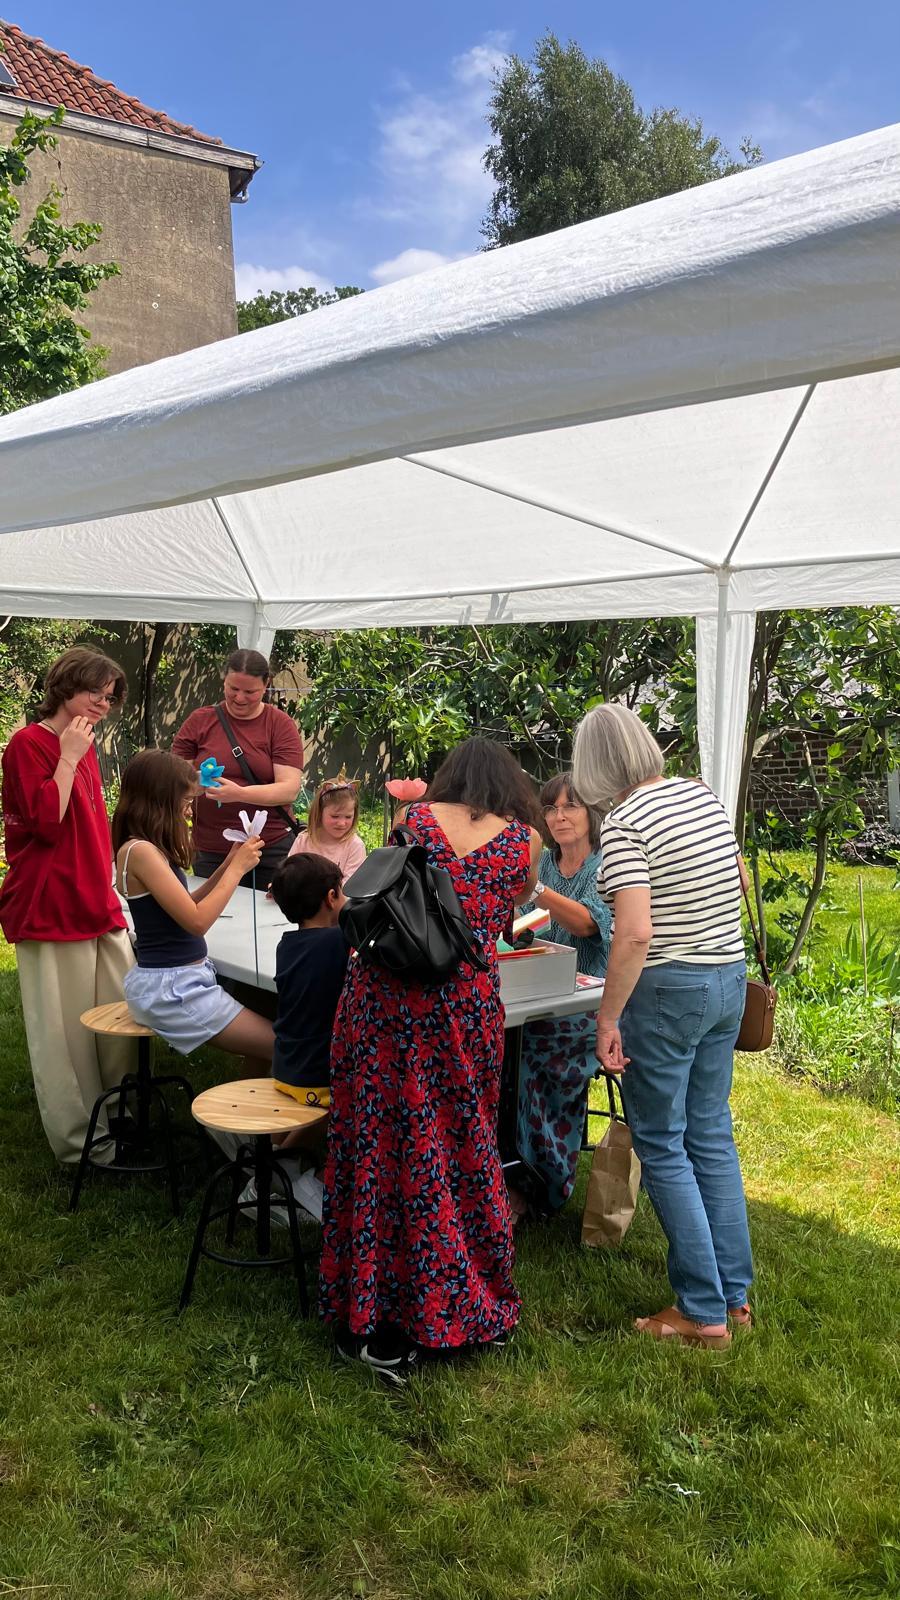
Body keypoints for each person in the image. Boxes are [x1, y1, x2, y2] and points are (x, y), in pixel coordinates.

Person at [320, 737, 543, 1385]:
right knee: (461, 1144)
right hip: (462, 1009)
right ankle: (467, 1302)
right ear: (510, 786)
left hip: (386, 1001)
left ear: (448, 778)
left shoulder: (412, 821)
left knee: (382, 1146)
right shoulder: (524, 841)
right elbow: (511, 910)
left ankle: (376, 1313)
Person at [572, 702, 752, 1350]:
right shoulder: (703, 796)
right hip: (728, 975)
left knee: (663, 1143)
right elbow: (736, 880)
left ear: (592, 767)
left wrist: (608, 1018)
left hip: (670, 989)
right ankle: (734, 1298)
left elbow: (634, 934)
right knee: (711, 1135)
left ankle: (701, 1311)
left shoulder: (626, 823)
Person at [0, 646, 135, 1166]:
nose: (102, 703)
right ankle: (84, 1143)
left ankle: (120, 1112)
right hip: (50, 904)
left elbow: (92, 826)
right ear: (64, 686)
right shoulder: (29, 743)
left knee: (117, 1016)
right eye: (93, 691)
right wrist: (69, 757)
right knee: (65, 1035)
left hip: (95, 900)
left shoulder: (84, 743)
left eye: (109, 696)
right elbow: (46, 824)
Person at [111, 749, 274, 1066]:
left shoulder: (145, 848)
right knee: (283, 1046)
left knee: (270, 1037)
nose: (188, 810)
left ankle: (255, 1095)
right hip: (173, 991)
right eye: (185, 801)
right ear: (161, 800)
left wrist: (227, 864)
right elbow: (197, 921)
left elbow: (188, 904)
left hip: (178, 983)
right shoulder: (141, 851)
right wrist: (238, 870)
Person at [514, 773, 612, 1215]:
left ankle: (540, 1183)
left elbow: (588, 924)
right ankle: (498, 1169)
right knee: (496, 1044)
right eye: (551, 808)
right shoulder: (546, 863)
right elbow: (521, 922)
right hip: (535, 997)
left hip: (590, 1008)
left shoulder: (604, 865)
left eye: (570, 806)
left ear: (591, 812)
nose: (559, 816)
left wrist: (536, 891)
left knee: (526, 1053)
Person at [172, 648, 303, 886]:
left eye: (250, 692)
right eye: (233, 689)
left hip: (269, 848)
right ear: (224, 680)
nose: (240, 698)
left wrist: (239, 794)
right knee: (211, 908)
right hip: (212, 850)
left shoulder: (280, 725)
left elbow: (289, 790)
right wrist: (195, 782)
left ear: (266, 685)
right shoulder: (200, 721)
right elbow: (173, 780)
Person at [269, 852, 350, 1112]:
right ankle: (291, 1141)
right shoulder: (337, 940)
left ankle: (281, 1136)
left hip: (284, 1068)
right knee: (344, 1107)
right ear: (331, 897)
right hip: (317, 1078)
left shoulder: (286, 945)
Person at [286, 777, 367, 883]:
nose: (341, 823)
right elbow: (288, 874)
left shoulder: (355, 846)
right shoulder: (303, 840)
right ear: (320, 813)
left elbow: (350, 886)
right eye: (335, 816)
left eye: (348, 817)